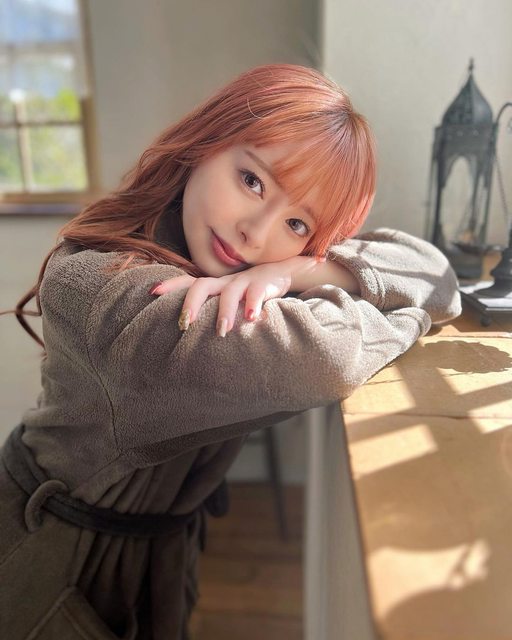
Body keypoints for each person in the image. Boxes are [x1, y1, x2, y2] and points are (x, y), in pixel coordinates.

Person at [0, 64, 461, 639]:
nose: (257, 234)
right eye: (252, 181)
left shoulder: (239, 270)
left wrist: (297, 271)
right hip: (45, 566)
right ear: (205, 143)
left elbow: (435, 272)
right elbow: (328, 357)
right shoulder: (108, 293)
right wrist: (412, 317)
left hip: (150, 557)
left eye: (297, 223)